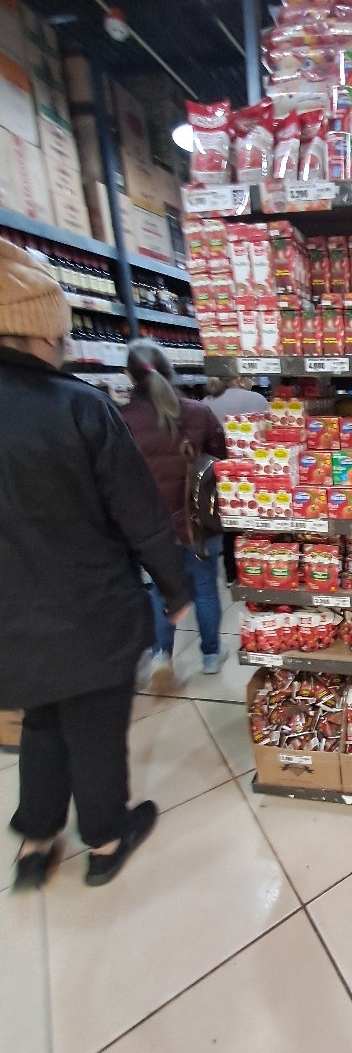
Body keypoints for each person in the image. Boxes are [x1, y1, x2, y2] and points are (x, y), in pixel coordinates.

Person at [0, 237, 191, 889]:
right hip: (88, 610)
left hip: (11, 619)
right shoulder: (79, 407)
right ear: (40, 332)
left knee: (41, 722)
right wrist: (175, 587)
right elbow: (140, 514)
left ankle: (35, 843)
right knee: (95, 726)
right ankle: (107, 838)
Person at [121, 341, 229, 681]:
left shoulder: (120, 419)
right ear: (171, 372)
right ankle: (210, 656)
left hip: (150, 529)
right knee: (206, 589)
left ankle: (161, 657)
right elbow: (222, 463)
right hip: (198, 523)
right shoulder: (200, 413)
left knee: (158, 590)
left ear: (129, 377)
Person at [204, 376, 270, 582]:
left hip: (221, 474)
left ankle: (232, 574)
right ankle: (258, 568)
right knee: (258, 521)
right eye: (250, 377)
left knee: (230, 523)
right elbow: (272, 434)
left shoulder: (206, 402)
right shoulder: (256, 399)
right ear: (240, 379)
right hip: (256, 472)